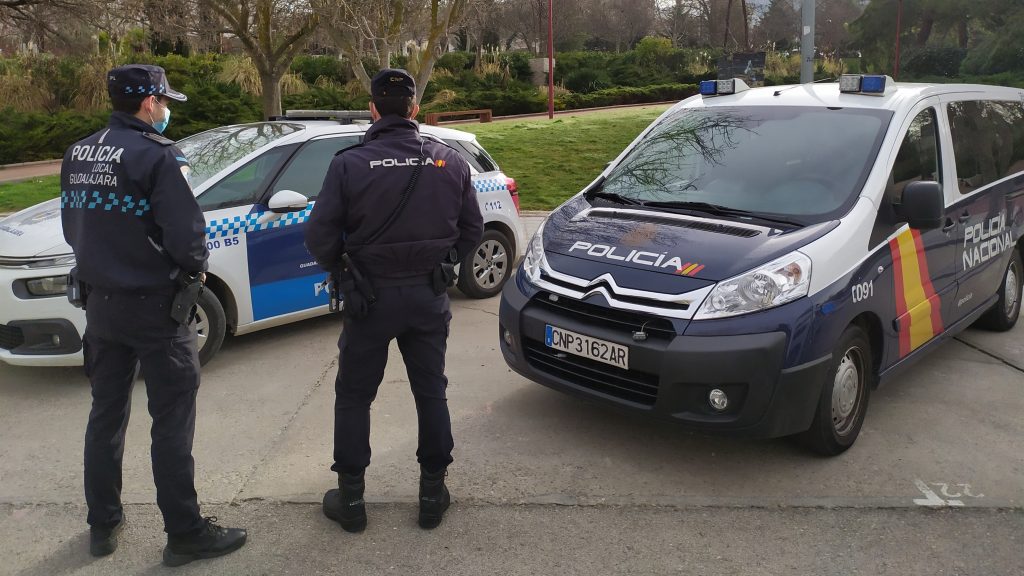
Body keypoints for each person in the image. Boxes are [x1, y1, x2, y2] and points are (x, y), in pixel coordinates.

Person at [60, 64, 246, 566]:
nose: (166, 112)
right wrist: (195, 272)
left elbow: (72, 226)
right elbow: (187, 237)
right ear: (148, 103)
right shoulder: (159, 156)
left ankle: (103, 522)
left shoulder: (79, 152)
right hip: (156, 309)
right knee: (171, 422)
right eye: (164, 103)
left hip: (100, 304)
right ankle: (184, 533)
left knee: (105, 416)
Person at [305, 68, 483, 532]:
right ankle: (431, 494)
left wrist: (341, 268)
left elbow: (319, 235)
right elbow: (473, 231)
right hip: (427, 294)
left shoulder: (349, 163)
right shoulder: (451, 160)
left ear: (372, 109)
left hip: (370, 298)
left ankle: (352, 500)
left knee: (355, 396)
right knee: (431, 391)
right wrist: (446, 264)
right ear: (414, 109)